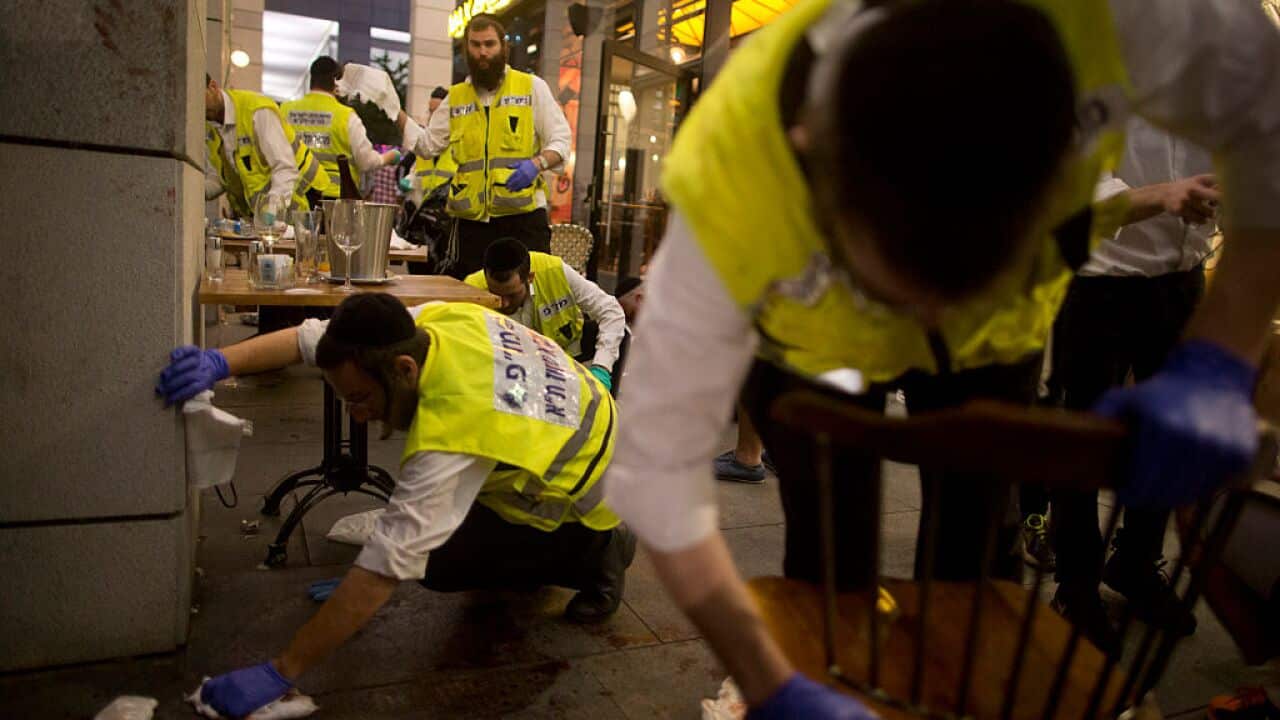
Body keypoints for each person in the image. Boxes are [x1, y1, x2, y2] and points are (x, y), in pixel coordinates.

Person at [603, 0, 1280, 717]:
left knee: (978, 555)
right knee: (828, 561)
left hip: (1001, 334)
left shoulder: (1136, 19)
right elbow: (658, 473)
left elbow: (1267, 120)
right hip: (817, 345)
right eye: (894, 285)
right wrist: (772, 681)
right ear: (812, 157)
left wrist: (1221, 355)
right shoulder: (735, 171)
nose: (927, 319)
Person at [157, 293, 636, 718]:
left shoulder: (455, 427)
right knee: (435, 548)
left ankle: (603, 555)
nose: (355, 415)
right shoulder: (433, 324)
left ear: (404, 370)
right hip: (568, 438)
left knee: (436, 566)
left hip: (590, 498)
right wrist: (218, 362)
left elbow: (387, 564)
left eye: (361, 398)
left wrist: (283, 670)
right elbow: (310, 340)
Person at [1049, 116, 1223, 650]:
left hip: (1183, 276)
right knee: (1085, 440)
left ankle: (1135, 562)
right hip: (1100, 281)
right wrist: (1164, 195)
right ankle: (1075, 586)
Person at [395, 14, 572, 278]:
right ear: (466, 48)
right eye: (475, 45)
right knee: (470, 299)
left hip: (522, 218)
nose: (482, 52)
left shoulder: (531, 88)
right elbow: (427, 145)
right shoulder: (456, 98)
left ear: (503, 47)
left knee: (529, 295)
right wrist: (392, 109)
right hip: (472, 223)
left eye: (489, 44)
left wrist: (537, 164)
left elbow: (561, 139)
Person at [465, 238, 626, 389]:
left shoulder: (554, 270)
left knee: (618, 336)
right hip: (510, 371)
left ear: (529, 277)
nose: (504, 303)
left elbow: (611, 311)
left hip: (568, 359)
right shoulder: (471, 289)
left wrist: (602, 366)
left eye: (512, 295)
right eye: (496, 296)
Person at [204, 74, 330, 217]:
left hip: (301, 203)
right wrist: (199, 191)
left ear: (213, 87)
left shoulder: (256, 111)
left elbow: (285, 167)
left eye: (201, 99)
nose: (200, 108)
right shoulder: (211, 127)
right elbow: (223, 178)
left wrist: (271, 211)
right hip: (261, 217)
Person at [281, 56, 400, 200]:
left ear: (311, 79)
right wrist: (389, 157)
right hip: (334, 200)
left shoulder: (285, 111)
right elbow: (366, 162)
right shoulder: (346, 116)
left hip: (293, 195)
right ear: (336, 82)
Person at [401, 86, 457, 204]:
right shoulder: (425, 144)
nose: (432, 116)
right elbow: (412, 170)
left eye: (437, 112)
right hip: (424, 212)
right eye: (431, 111)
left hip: (449, 212)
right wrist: (410, 179)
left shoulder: (459, 144)